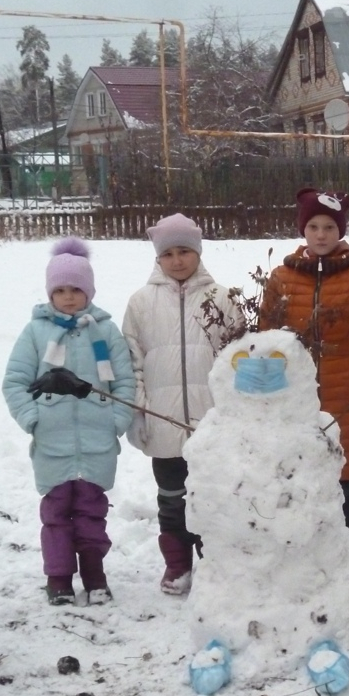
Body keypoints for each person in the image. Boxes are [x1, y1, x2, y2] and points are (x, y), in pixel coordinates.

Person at [2, 237, 135, 605]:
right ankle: (58, 578)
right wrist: (33, 418)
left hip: (97, 442)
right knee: (56, 514)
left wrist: (117, 420)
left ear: (88, 291)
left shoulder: (105, 331)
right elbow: (14, 382)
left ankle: (94, 575)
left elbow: (125, 381)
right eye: (60, 290)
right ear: (50, 293)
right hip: (52, 443)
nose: (68, 297)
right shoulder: (35, 333)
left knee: (92, 511)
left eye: (76, 289)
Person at [259, 188, 349, 537]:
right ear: (303, 230)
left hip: (346, 394)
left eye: (329, 227)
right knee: (294, 473)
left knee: (343, 475)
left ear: (341, 230)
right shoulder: (281, 277)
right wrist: (264, 394)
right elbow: (264, 341)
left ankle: (348, 540)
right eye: (314, 227)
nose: (321, 235)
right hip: (293, 396)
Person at [123, 214, 242, 595]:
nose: (177, 261)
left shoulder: (222, 299)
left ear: (198, 252)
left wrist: (235, 414)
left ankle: (215, 564)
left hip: (212, 423)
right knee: (172, 501)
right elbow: (132, 361)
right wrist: (139, 412)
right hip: (164, 421)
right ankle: (177, 565)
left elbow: (239, 360)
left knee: (213, 497)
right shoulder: (141, 303)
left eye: (184, 251)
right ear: (157, 258)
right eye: (168, 254)